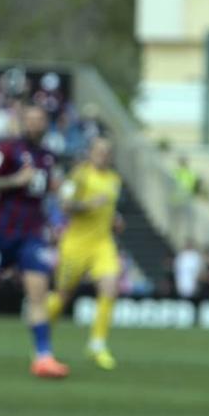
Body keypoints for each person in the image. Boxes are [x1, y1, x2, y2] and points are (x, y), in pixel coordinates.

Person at [0, 104, 68, 379]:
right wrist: (15, 180)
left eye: (40, 119)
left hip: (32, 234)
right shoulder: (8, 150)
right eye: (31, 119)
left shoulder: (48, 157)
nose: (35, 124)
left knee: (38, 292)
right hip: (2, 233)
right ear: (24, 122)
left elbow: (47, 194)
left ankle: (43, 357)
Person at [47, 136, 123, 369]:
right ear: (91, 152)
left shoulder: (114, 179)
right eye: (99, 151)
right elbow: (65, 204)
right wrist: (88, 205)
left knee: (110, 286)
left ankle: (97, 344)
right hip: (76, 245)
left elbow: (108, 209)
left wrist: (114, 220)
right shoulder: (79, 175)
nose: (103, 155)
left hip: (102, 244)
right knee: (63, 295)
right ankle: (42, 336)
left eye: (107, 151)